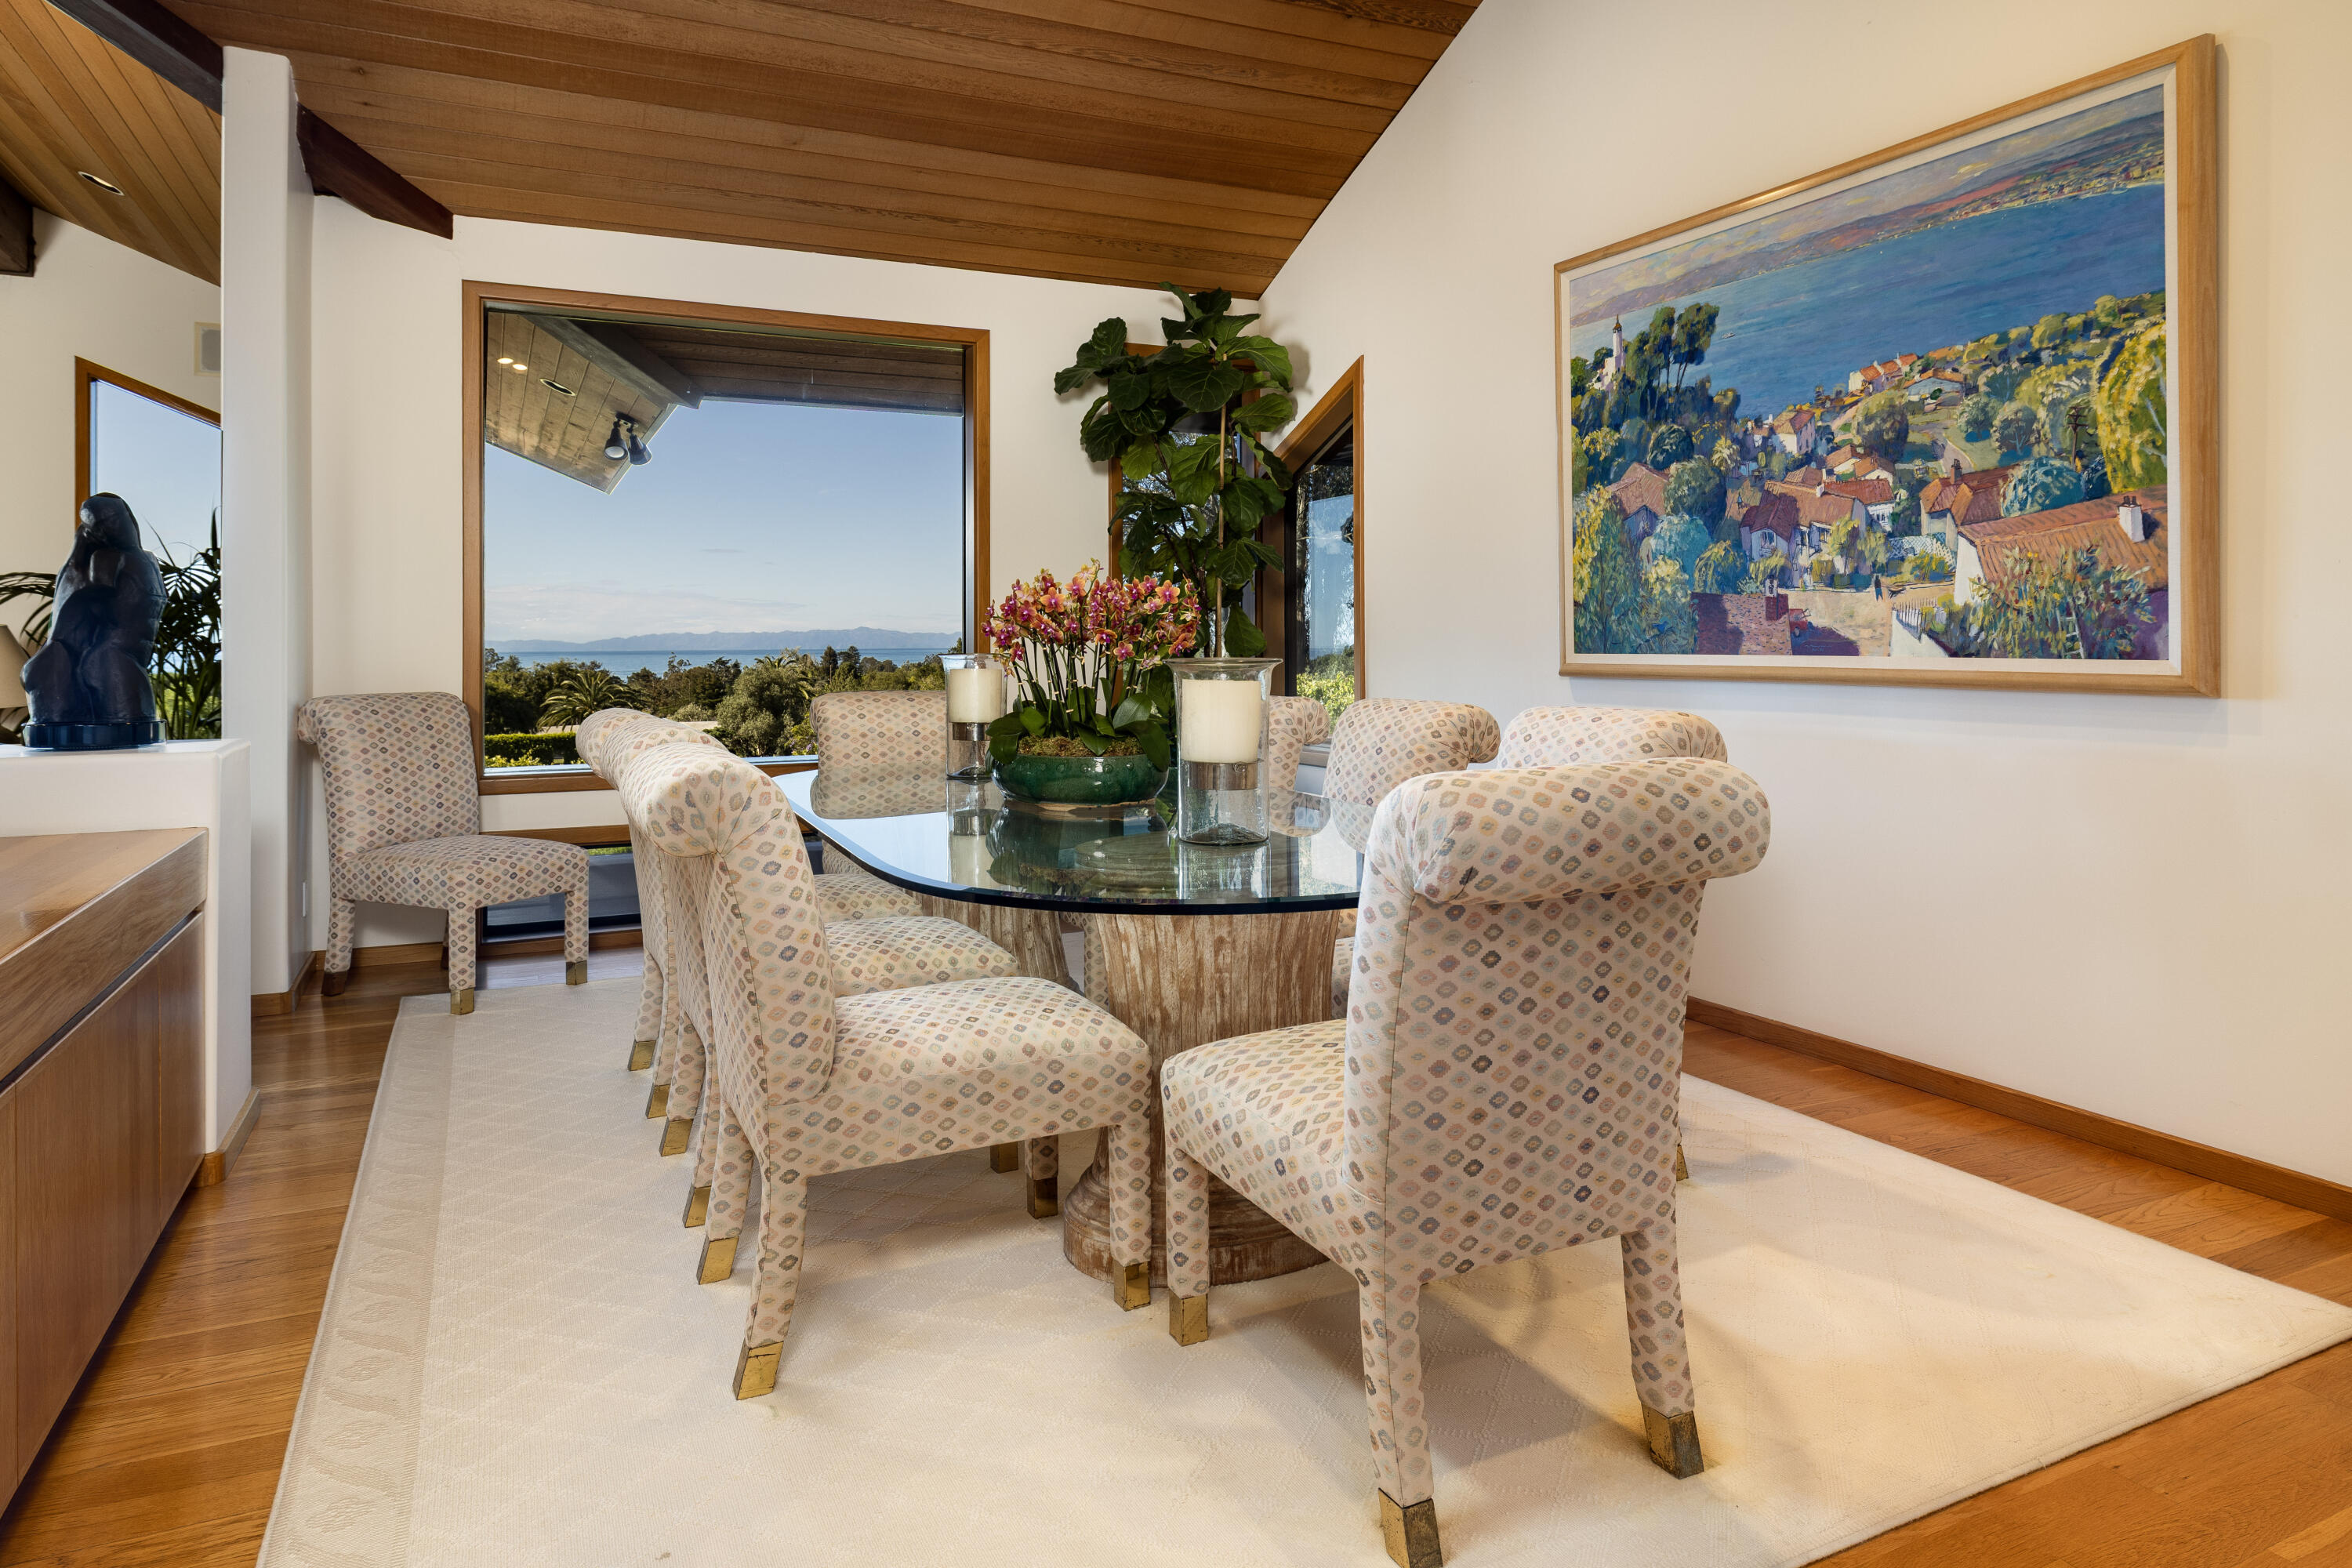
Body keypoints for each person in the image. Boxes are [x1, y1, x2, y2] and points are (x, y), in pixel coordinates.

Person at [21, 493, 162, 746]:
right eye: (102, 526)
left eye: (114, 519)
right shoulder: (106, 561)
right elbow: (68, 614)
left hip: (114, 661)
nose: (113, 529)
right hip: (104, 661)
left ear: (128, 517)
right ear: (94, 533)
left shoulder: (138, 561)